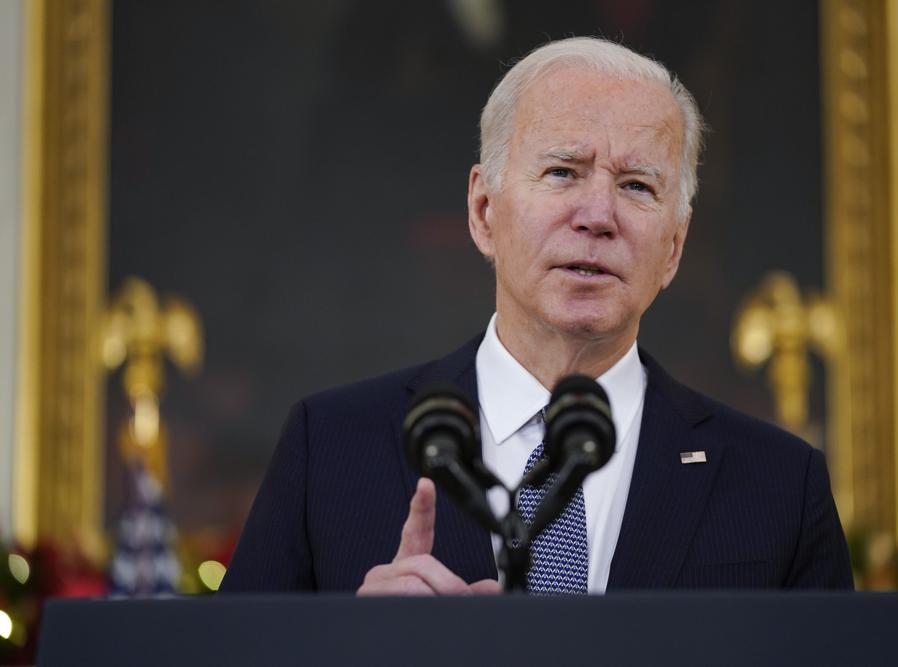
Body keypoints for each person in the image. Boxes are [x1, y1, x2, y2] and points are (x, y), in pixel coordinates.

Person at [220, 36, 853, 595]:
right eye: (562, 172)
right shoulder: (331, 446)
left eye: (636, 186)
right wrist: (358, 651)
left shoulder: (778, 487)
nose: (598, 215)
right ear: (483, 210)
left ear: (675, 248)